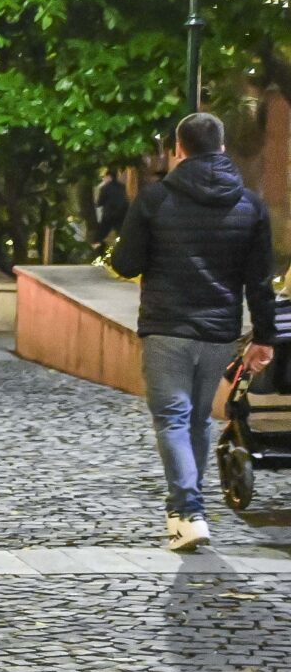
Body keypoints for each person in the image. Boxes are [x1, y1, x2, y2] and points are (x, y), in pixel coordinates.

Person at [109, 112, 280, 552]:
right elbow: (260, 281)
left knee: (172, 418)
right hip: (219, 331)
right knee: (199, 419)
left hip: (166, 327)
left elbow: (126, 264)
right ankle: (189, 513)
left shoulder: (154, 199)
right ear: (221, 148)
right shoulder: (250, 204)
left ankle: (187, 512)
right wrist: (264, 338)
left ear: (178, 150)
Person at [94, 167, 131, 253]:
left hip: (109, 215)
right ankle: (124, 250)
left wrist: (97, 203)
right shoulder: (122, 187)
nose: (104, 179)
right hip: (122, 214)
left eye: (105, 177)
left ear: (109, 177)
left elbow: (100, 203)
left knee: (100, 235)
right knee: (122, 234)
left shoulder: (105, 188)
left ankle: (98, 252)